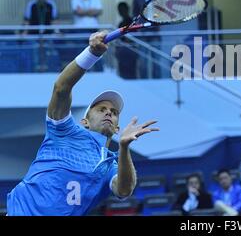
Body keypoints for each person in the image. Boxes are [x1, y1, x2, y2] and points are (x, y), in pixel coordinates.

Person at [6, 31, 159, 216]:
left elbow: (124, 190)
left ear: (117, 128)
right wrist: (92, 53)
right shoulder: (63, 131)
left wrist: (124, 148)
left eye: (114, 112)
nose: (109, 112)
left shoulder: (110, 165)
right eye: (101, 109)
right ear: (84, 121)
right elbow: (61, 88)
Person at [132, 0, 160, 79]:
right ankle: (144, 82)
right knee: (143, 62)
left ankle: (158, 83)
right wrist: (138, 28)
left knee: (156, 61)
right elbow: (135, 14)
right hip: (142, 32)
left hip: (155, 32)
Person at [115, 2, 138, 79]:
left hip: (131, 50)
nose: (121, 12)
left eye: (122, 10)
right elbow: (118, 39)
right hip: (122, 52)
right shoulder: (120, 23)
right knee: (122, 74)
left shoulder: (133, 22)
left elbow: (134, 37)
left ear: (127, 10)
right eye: (119, 10)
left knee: (131, 73)